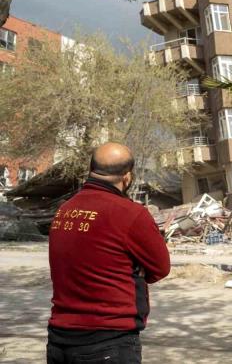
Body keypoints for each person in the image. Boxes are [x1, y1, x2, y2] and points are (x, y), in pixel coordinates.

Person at [47, 143, 170, 363]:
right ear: (127, 178)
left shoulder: (65, 210)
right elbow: (160, 268)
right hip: (109, 341)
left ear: (90, 170)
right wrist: (134, 268)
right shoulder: (130, 214)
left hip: (59, 338)